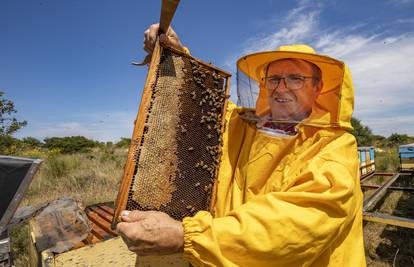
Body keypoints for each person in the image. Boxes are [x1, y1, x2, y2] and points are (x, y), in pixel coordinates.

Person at [116, 24, 366, 266]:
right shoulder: (243, 125)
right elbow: (202, 104)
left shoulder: (335, 147)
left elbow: (297, 226)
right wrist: (177, 53)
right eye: (274, 78)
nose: (281, 87)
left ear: (317, 87)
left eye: (295, 79)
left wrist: (188, 236)